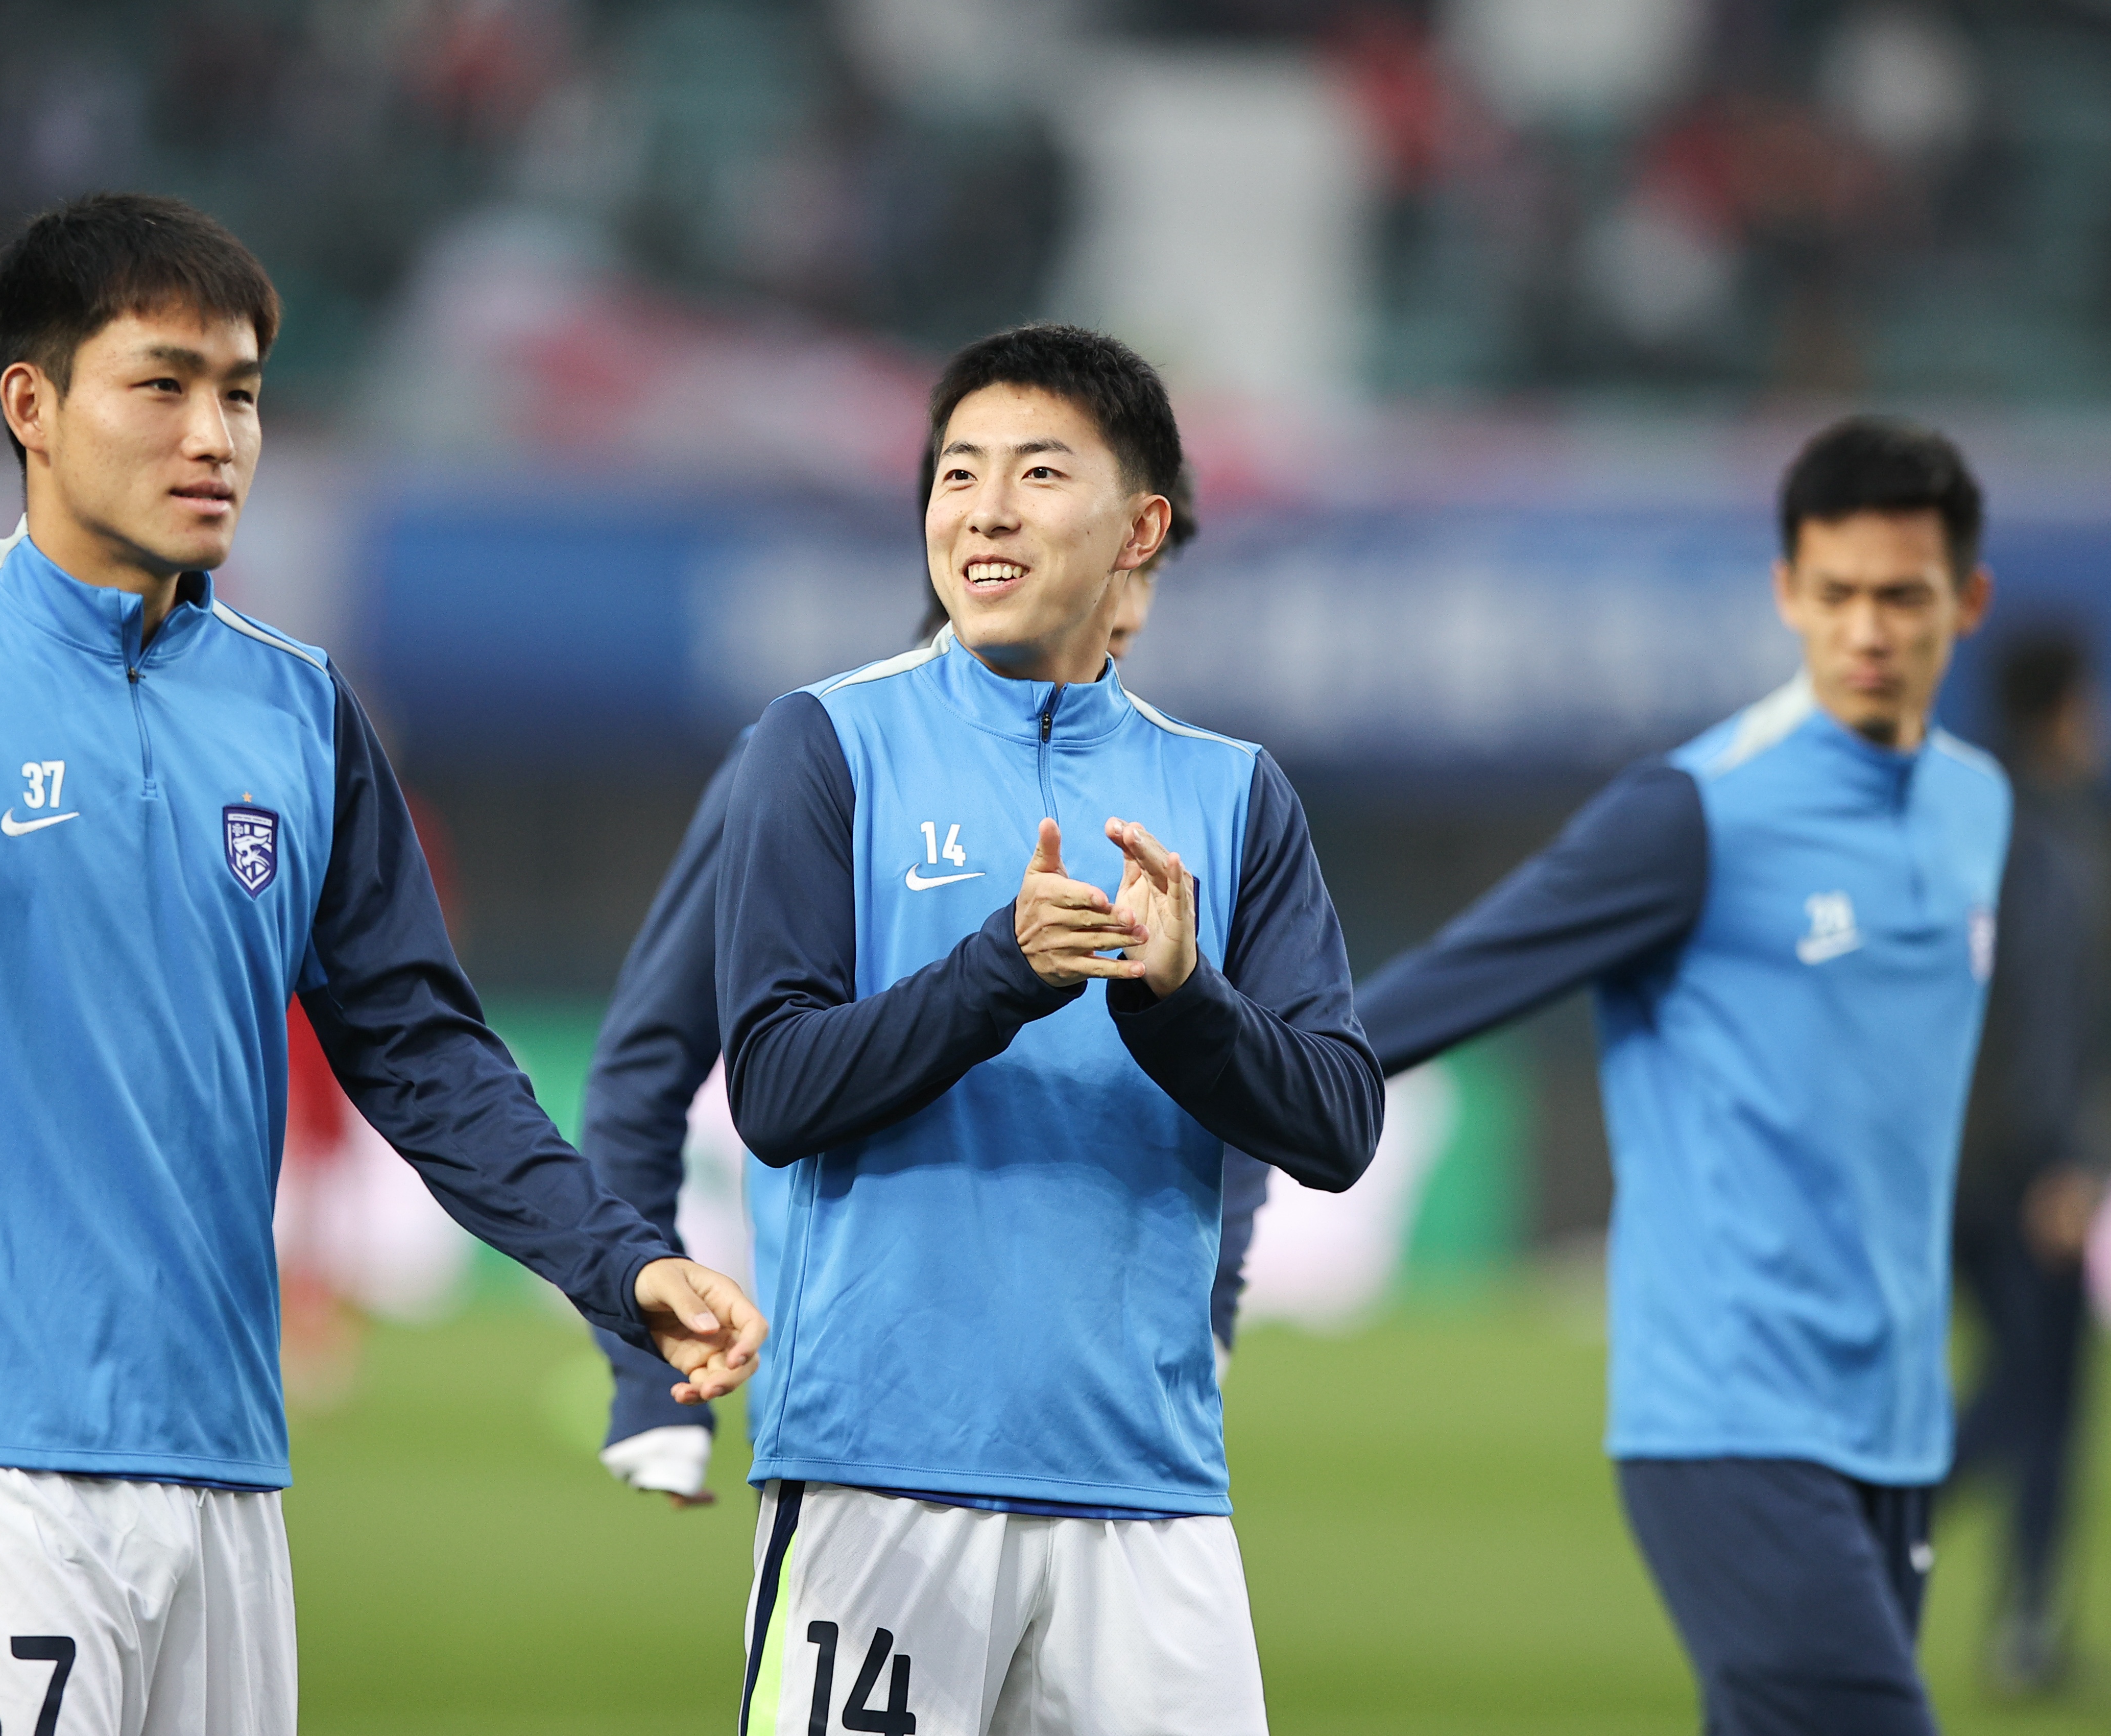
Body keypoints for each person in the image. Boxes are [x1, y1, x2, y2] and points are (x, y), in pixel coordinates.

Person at [0, 192, 762, 1735]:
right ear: (31, 405)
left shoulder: (303, 713)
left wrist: (621, 1263)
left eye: (241, 393)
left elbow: (426, 1057)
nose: (214, 436)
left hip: (225, 1461)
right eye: (163, 385)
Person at [716, 324, 1381, 1734]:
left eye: (1036, 472)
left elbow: (1338, 1123)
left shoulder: (1235, 793)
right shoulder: (821, 743)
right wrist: (997, 973)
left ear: (1140, 530)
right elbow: (772, 1088)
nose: (985, 511)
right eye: (957, 473)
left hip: (1152, 1501)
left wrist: (1180, 1001)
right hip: (879, 1479)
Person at [1357, 416, 2004, 1735]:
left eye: (1902, 596)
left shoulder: (1976, 806)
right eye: (1835, 594)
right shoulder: (1695, 812)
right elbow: (1424, 997)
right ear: (1785, 592)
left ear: (1969, 601)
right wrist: (1197, 1057)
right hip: (1730, 1413)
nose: (1867, 630)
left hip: (1898, 1420)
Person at [583, 471, 1277, 1508]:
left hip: (1115, 1428)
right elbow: (647, 1064)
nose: (1128, 614)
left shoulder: (1179, 791)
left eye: (1145, 578)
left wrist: (1212, 1307)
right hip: (866, 1414)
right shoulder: (812, 761)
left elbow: (1232, 1079)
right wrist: (650, 1375)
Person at [1947, 629, 2107, 1695]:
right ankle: (1875, 1525)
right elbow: (2050, 1017)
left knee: (2034, 1390)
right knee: (2034, 1397)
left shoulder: (1965, 818)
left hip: (1958, 1160)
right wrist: (2068, 1159)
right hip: (2023, 1168)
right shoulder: (2053, 839)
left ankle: (2029, 1626)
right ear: (2067, 708)